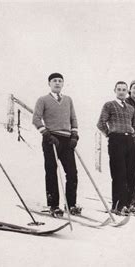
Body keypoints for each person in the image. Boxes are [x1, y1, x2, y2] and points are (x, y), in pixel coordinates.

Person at [32, 73, 81, 217]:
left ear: (63, 83)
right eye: (54, 81)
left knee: (72, 173)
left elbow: (73, 118)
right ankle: (54, 205)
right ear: (49, 83)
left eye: (60, 81)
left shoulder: (68, 100)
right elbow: (36, 118)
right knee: (52, 171)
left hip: (67, 140)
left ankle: (71, 204)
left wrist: (74, 135)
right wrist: (46, 133)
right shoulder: (43, 100)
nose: (57, 83)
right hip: (51, 139)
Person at [97, 81, 135, 215]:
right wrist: (110, 134)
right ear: (115, 90)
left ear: (127, 92)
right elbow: (101, 123)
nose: (121, 92)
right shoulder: (109, 105)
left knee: (130, 173)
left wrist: (130, 133)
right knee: (119, 174)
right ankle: (117, 206)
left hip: (129, 141)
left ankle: (128, 204)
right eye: (119, 89)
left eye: (124, 90)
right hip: (116, 141)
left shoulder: (131, 108)